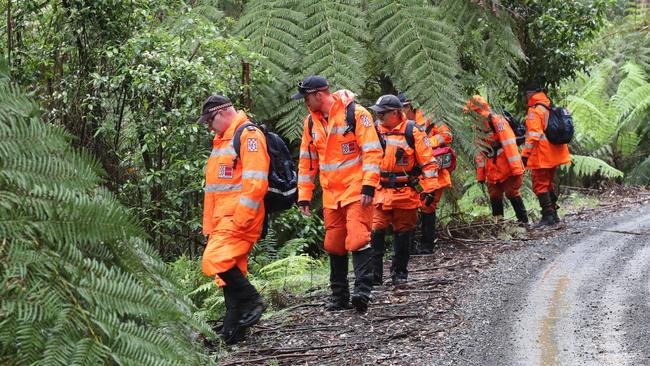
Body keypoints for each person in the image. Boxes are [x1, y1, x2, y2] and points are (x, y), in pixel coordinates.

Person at [293, 76, 384, 312]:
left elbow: (373, 152)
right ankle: (339, 295)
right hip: (331, 194)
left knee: (357, 238)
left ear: (318, 95)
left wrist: (368, 185)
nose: (304, 102)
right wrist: (304, 195)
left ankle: (363, 291)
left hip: (356, 189)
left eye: (306, 98)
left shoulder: (356, 113)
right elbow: (306, 161)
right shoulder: (310, 123)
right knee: (333, 244)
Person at [198, 95, 269, 344]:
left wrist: (242, 218)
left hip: (239, 218)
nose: (208, 126)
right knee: (231, 272)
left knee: (214, 260)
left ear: (222, 113)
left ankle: (253, 299)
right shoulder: (222, 141)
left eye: (209, 120)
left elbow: (256, 181)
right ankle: (232, 333)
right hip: (223, 220)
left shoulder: (248, 136)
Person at [368, 95, 441, 286]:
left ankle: (399, 273)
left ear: (395, 113)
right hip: (379, 190)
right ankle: (375, 276)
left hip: (405, 191)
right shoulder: (373, 131)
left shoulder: (413, 131)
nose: (379, 116)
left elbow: (429, 162)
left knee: (403, 233)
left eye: (382, 113)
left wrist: (430, 189)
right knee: (376, 231)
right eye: (378, 113)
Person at [398, 93, 453, 254]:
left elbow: (447, 135)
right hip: (414, 174)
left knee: (428, 206)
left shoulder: (430, 117)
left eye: (401, 109)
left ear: (408, 107)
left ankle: (427, 245)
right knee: (410, 207)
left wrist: (427, 143)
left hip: (434, 172)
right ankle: (411, 245)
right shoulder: (398, 125)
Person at [465, 95, 528, 223]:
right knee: (494, 194)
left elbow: (510, 144)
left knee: (511, 192)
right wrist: (481, 175)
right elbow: (480, 152)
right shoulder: (477, 126)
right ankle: (499, 224)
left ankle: (523, 221)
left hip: (507, 165)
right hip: (492, 167)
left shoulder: (496, 120)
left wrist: (516, 168)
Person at [521, 82, 571, 225]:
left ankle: (548, 216)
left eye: (526, 94)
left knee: (540, 185)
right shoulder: (548, 106)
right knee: (548, 184)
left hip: (542, 155)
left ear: (530, 94)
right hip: (554, 154)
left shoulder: (535, 110)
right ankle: (553, 214)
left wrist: (524, 155)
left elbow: (533, 135)